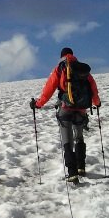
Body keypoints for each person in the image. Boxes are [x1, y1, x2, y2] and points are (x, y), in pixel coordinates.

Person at [30, 47, 101, 182]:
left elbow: (49, 89)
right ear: (73, 55)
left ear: (62, 56)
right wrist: (97, 103)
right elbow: (93, 88)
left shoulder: (60, 68)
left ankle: (72, 173)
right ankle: (81, 167)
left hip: (66, 108)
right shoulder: (82, 69)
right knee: (79, 137)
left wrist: (38, 104)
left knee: (67, 140)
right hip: (81, 109)